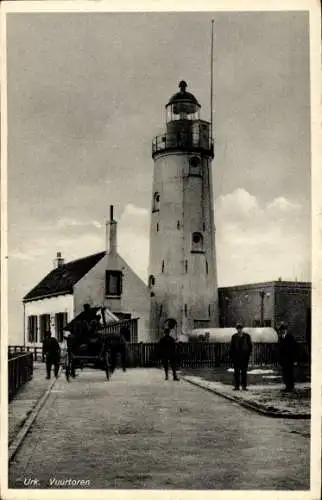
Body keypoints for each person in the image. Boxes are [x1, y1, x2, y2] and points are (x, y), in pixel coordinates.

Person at [229, 323, 253, 390]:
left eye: (240, 329)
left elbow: (250, 345)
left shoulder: (247, 336)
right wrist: (232, 356)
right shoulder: (234, 337)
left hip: (244, 357)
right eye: (238, 329)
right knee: (236, 372)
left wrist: (249, 354)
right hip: (236, 358)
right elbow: (231, 347)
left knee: (244, 372)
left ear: (242, 329)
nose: (239, 330)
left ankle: (244, 386)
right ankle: (237, 386)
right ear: (237, 329)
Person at [278, 322, 298, 392]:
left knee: (290, 373)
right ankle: (287, 387)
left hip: (290, 359)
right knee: (285, 373)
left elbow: (294, 348)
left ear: (286, 330)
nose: (282, 331)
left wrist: (295, 359)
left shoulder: (290, 337)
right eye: (281, 330)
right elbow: (279, 349)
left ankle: (291, 387)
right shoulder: (280, 338)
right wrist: (280, 359)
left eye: (283, 329)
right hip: (283, 359)